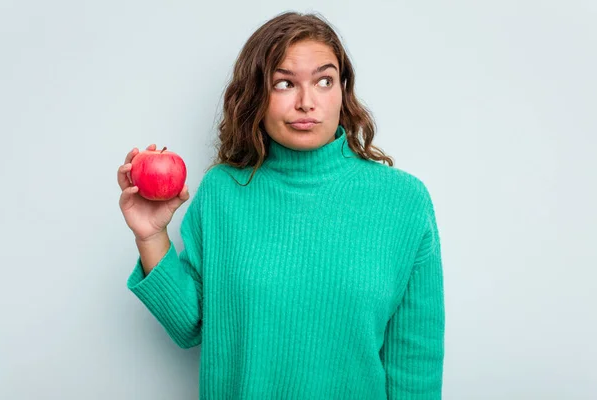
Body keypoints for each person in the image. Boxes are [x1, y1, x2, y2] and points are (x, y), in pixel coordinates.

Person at [117, 10, 445, 400]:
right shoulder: (224, 190)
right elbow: (191, 325)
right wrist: (152, 236)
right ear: (257, 94)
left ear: (343, 89)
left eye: (324, 81)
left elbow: (415, 360)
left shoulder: (404, 201)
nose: (307, 102)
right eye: (285, 83)